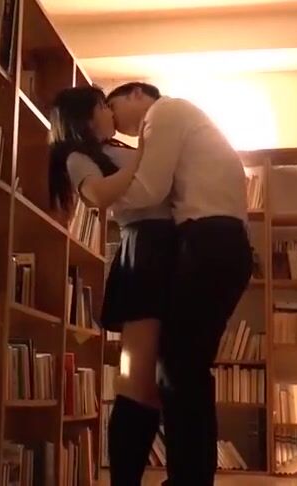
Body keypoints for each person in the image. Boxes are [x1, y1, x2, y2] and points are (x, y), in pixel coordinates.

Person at [107, 82, 254, 485]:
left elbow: (148, 189)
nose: (113, 120)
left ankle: (189, 479)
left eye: (113, 106)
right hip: (221, 242)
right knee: (185, 368)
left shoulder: (163, 112)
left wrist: (103, 195)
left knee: (178, 369)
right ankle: (192, 477)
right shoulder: (186, 119)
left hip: (208, 240)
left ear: (137, 94)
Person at [47, 86, 177, 486]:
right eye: (104, 106)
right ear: (86, 116)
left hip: (169, 247)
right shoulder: (77, 156)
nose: (110, 112)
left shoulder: (114, 148)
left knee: (161, 379)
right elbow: (98, 195)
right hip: (146, 248)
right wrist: (146, 153)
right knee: (137, 382)